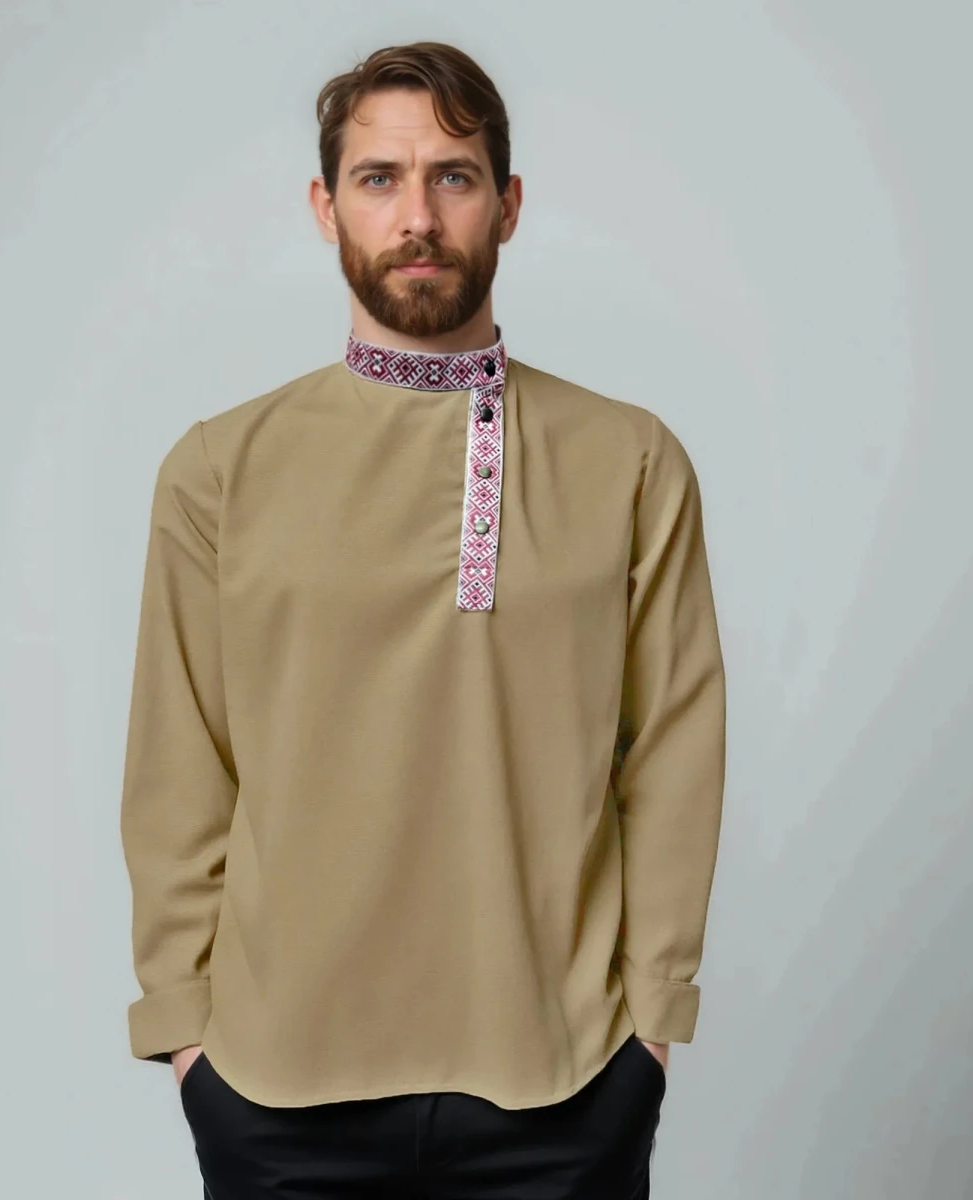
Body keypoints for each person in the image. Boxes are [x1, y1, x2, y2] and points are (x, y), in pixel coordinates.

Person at [119, 38, 727, 1200]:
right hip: (274, 1081)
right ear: (325, 206)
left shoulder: (631, 461)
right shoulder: (218, 471)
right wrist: (188, 1035)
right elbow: (178, 765)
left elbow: (672, 750)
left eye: (453, 176)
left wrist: (651, 1025)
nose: (418, 216)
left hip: (563, 1078)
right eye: (379, 178)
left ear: (508, 203)